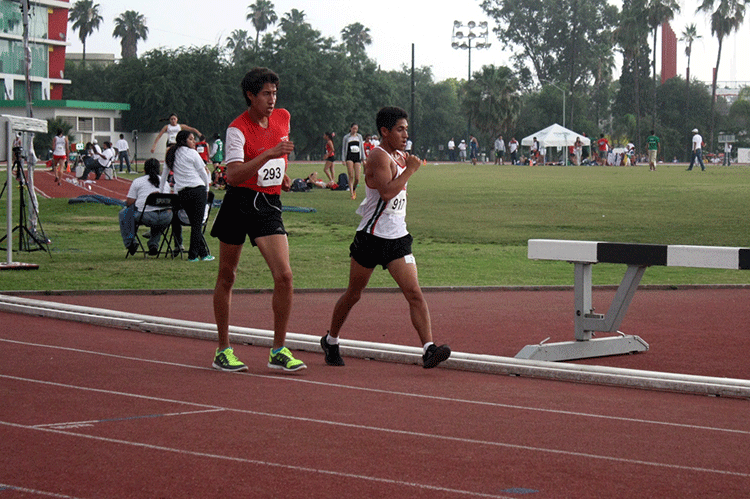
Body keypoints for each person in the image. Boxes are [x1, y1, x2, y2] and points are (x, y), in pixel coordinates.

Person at [321, 106, 451, 369]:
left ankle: (428, 349)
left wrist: (407, 166)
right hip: (371, 237)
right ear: (385, 131)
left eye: (406, 129)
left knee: (414, 292)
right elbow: (386, 192)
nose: (405, 135)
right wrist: (410, 170)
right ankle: (331, 340)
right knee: (353, 294)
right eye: (400, 129)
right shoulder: (379, 157)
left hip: (397, 237)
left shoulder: (401, 156)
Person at [210, 67, 305, 373]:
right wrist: (268, 155)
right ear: (250, 95)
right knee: (227, 276)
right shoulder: (237, 129)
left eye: (274, 92)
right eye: (265, 93)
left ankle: (278, 349)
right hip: (239, 203)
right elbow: (233, 175)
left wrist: (282, 174)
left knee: (285, 276)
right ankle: (223, 349)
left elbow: (276, 158)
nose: (272, 99)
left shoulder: (283, 117)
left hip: (268, 203)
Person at [160, 130, 213, 262]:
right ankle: (193, 255)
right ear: (184, 141)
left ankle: (204, 254)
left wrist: (162, 191)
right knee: (197, 224)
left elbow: (164, 175)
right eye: (191, 139)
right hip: (197, 189)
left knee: (195, 223)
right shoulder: (192, 153)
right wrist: (207, 189)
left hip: (183, 192)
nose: (194, 142)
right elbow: (203, 173)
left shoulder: (171, 154)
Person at [119, 158, 173, 256]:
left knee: (125, 212)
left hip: (146, 216)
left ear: (144, 169)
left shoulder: (138, 181)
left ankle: (130, 242)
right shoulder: (165, 182)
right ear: (159, 170)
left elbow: (129, 202)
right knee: (159, 213)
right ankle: (153, 244)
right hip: (167, 217)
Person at [341, 123, 364, 200]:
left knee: (357, 178)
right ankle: (351, 193)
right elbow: (344, 148)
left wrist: (363, 158)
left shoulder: (359, 137)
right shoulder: (346, 137)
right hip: (349, 157)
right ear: (350, 128)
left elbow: (361, 147)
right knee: (351, 175)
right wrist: (343, 159)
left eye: (356, 129)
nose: (355, 130)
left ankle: (354, 188)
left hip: (357, 157)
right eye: (353, 128)